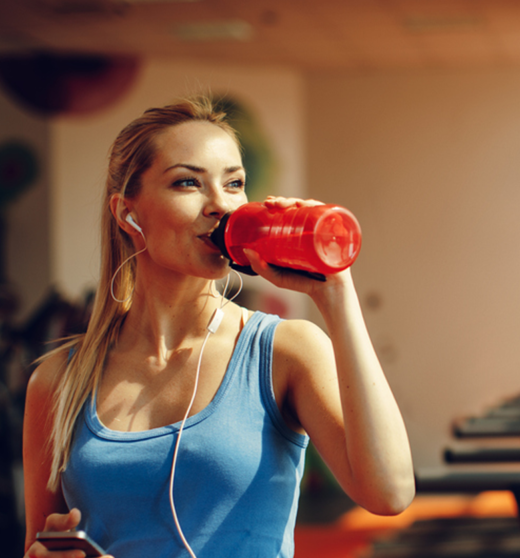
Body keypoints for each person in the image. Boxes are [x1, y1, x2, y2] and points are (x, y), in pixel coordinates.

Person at [22, 97, 414, 558]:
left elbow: (389, 493)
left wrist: (338, 296)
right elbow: (37, 543)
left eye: (234, 183)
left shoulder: (285, 351)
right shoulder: (58, 381)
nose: (220, 205)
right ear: (128, 212)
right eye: (187, 182)